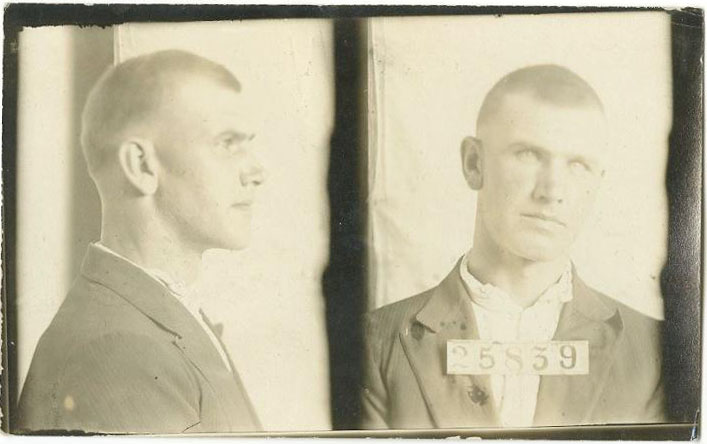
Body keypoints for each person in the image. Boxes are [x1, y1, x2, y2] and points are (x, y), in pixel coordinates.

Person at [361, 65, 665, 429]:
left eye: (578, 165)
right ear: (474, 163)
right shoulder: (375, 343)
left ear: (598, 182)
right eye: (528, 154)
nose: (552, 191)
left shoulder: (658, 353)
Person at [18, 50, 265, 434]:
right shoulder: (116, 352)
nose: (256, 171)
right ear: (141, 165)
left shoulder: (153, 317)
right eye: (226, 143)